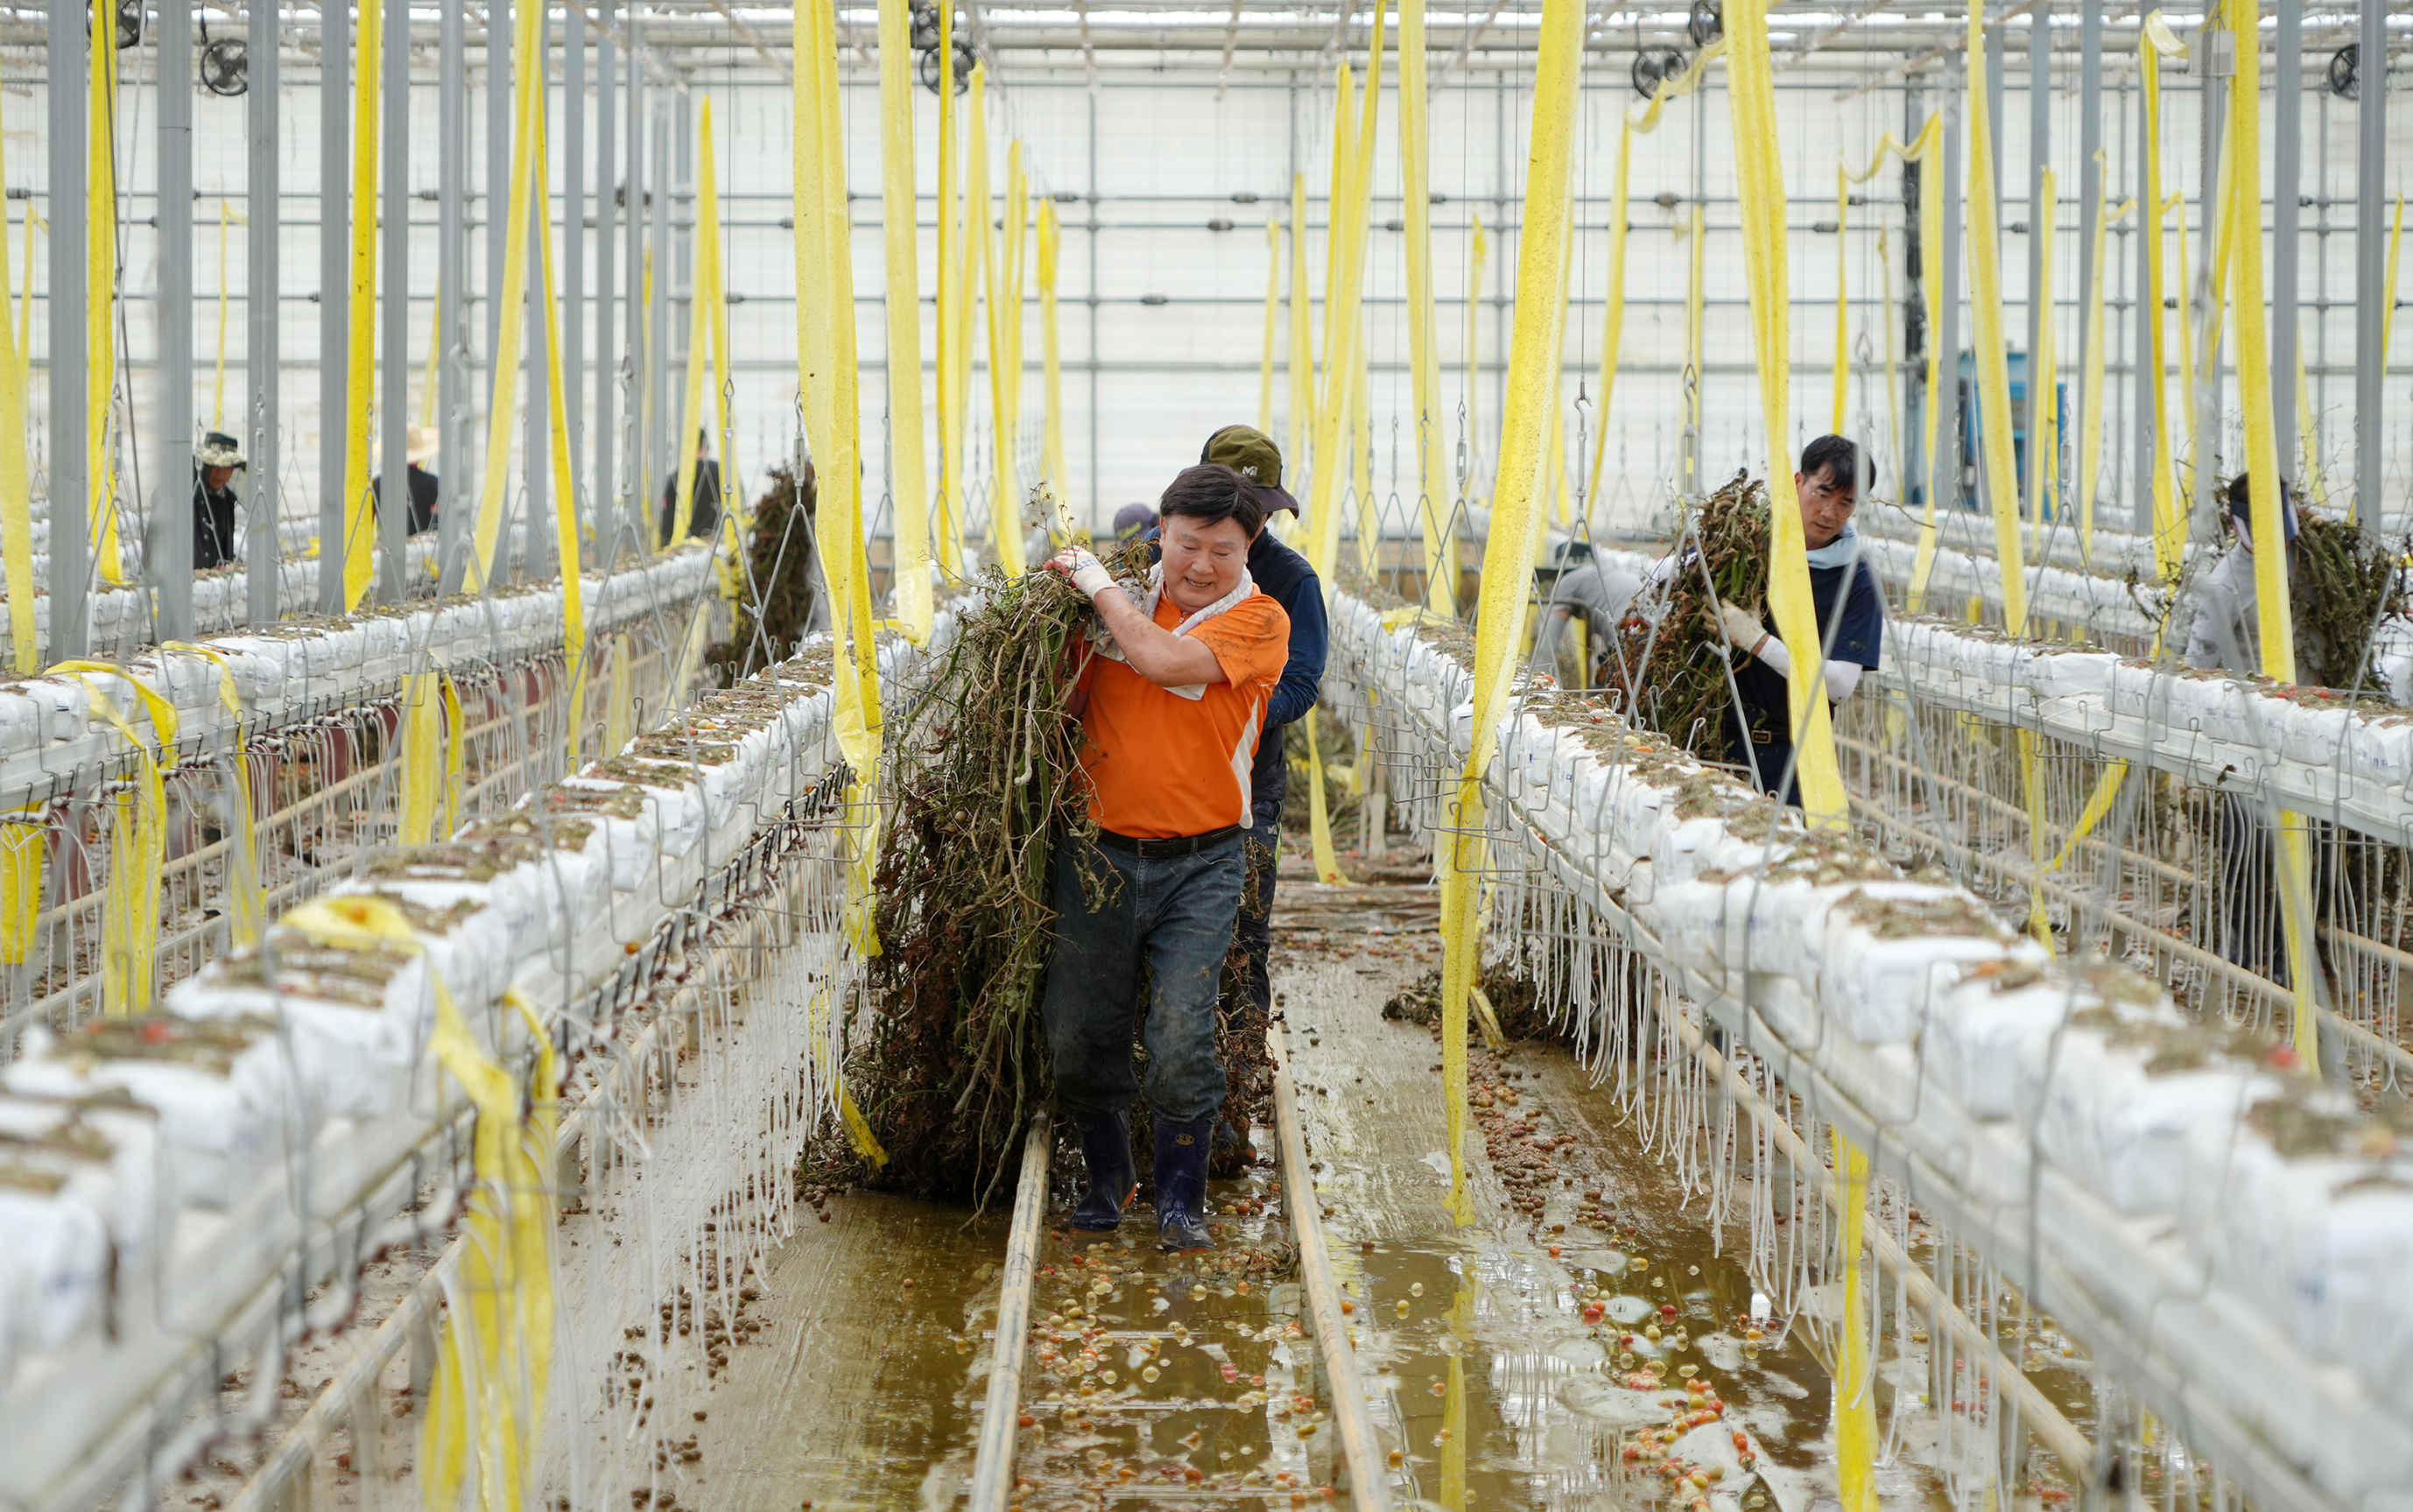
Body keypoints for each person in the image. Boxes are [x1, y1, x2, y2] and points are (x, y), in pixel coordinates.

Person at [1041, 464, 1292, 1252]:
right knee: (1078, 1032)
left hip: (1202, 862)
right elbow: (1063, 703)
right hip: (1097, 853)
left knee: (1181, 1033)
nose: (1202, 565)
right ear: (1163, 534)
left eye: (1223, 549)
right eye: (1188, 544)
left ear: (1249, 545)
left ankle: (1183, 1198)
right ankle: (1109, 1174)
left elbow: (1162, 660)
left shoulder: (1259, 619)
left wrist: (1093, 583)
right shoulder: (1113, 608)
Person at [1704, 434, 1883, 804]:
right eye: (1822, 494)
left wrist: (1758, 643)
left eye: (1846, 503)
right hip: (1714, 741)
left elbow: (1839, 686)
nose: (1829, 513)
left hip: (1794, 752)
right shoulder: (1746, 544)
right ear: (1798, 482)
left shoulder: (1856, 581)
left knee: (1789, 837)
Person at [1536, 555, 1643, 691]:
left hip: (1629, 630)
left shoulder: (1567, 581)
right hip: (1653, 627)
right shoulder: (1604, 577)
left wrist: (1539, 685)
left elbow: (1548, 641)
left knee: (1608, 693)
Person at [371, 426, 442, 537]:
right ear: (419, 455)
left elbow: (367, 521)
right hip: (421, 546)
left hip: (387, 545)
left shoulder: (378, 483)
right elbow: (437, 523)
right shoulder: (432, 482)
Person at [659, 430, 723, 545]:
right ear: (708, 447)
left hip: (685, 547)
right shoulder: (724, 474)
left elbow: (667, 523)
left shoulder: (676, 477)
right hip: (718, 545)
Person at [193, 432, 243, 571]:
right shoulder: (183, 494)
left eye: (226, 467)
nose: (220, 473)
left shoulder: (227, 500)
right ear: (203, 465)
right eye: (213, 466)